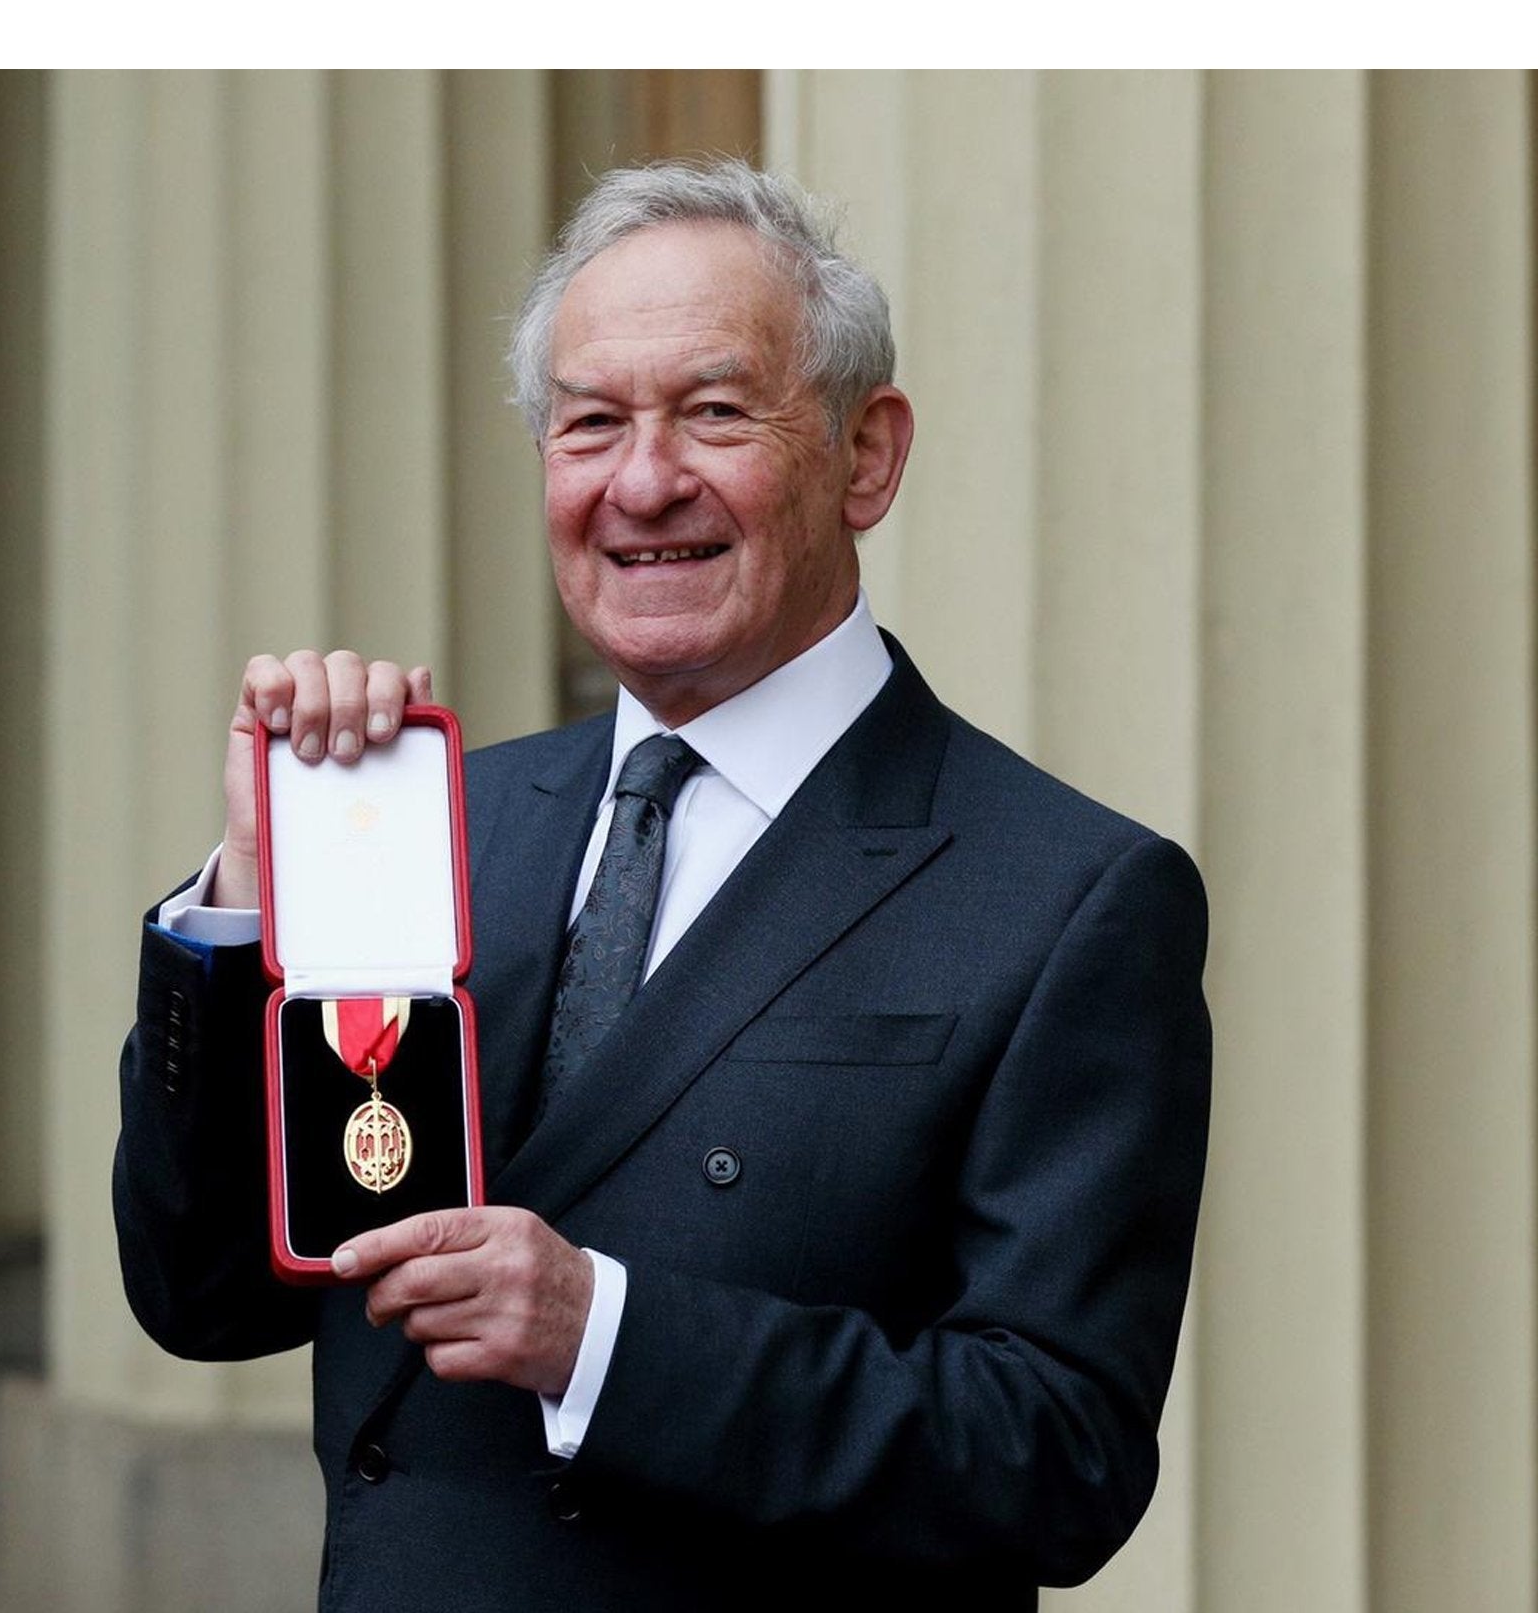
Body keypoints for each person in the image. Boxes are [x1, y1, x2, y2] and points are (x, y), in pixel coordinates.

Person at [113, 158, 1212, 1610]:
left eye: (712, 412)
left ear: (865, 456)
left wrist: (604, 1338)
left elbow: (1056, 1456)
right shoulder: (453, 821)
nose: (642, 483)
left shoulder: (1068, 894)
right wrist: (253, 893)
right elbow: (206, 1296)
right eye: (590, 425)